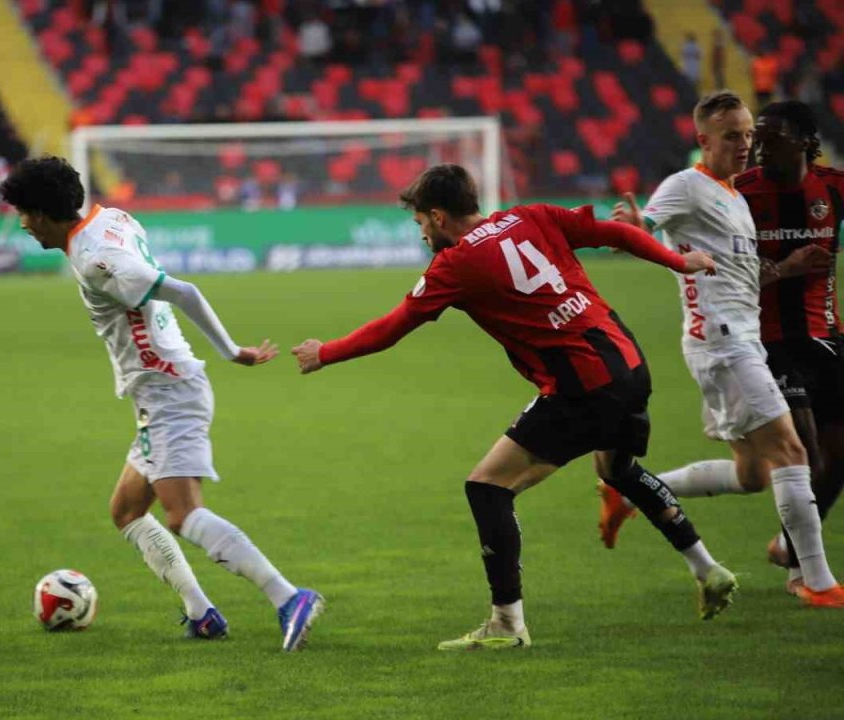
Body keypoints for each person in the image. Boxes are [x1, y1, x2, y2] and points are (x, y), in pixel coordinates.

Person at [292, 163, 732, 651]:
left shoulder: (453, 264)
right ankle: (707, 569)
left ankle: (507, 623)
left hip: (580, 386)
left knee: (487, 487)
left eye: (420, 223)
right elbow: (615, 233)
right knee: (617, 468)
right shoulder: (532, 215)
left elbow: (392, 327)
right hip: (628, 363)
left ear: (438, 216)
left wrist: (325, 352)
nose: (421, 234)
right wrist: (679, 262)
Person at [0, 156, 324, 651]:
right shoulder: (111, 219)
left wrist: (231, 351)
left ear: (42, 212)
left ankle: (289, 597)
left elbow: (184, 291)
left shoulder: (95, 260)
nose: (21, 223)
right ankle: (202, 614)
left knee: (183, 516)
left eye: (23, 212)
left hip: (169, 391)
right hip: (156, 394)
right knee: (127, 511)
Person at [597, 92, 844, 607]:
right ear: (703, 140)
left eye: (748, 134)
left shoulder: (733, 196)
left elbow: (741, 275)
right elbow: (646, 227)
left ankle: (632, 490)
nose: (745, 144)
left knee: (754, 474)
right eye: (732, 135)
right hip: (724, 344)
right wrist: (637, 229)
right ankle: (817, 583)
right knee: (794, 450)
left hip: (738, 339)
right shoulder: (687, 186)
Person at [736, 101, 844, 595]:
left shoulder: (833, 188)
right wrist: (786, 267)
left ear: (804, 141)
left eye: (771, 137)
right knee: (805, 454)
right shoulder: (740, 194)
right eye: (756, 136)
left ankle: (790, 546)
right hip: (767, 342)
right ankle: (810, 577)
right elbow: (727, 278)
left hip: (825, 337)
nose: (758, 146)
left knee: (836, 457)